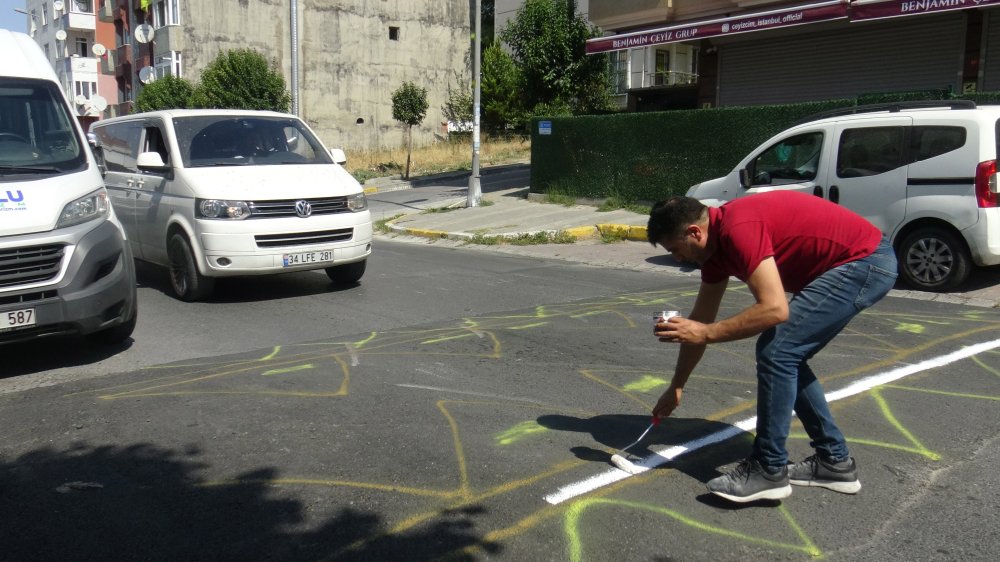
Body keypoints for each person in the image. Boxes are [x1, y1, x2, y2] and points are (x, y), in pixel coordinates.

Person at [646, 191, 897, 503]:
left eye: (676, 250)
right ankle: (834, 462)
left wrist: (707, 333)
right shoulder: (713, 254)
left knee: (777, 351)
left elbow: (775, 309)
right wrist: (677, 386)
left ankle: (768, 468)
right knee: (787, 353)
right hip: (859, 263)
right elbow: (699, 322)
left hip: (865, 261)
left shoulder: (739, 229)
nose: (678, 259)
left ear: (694, 232)